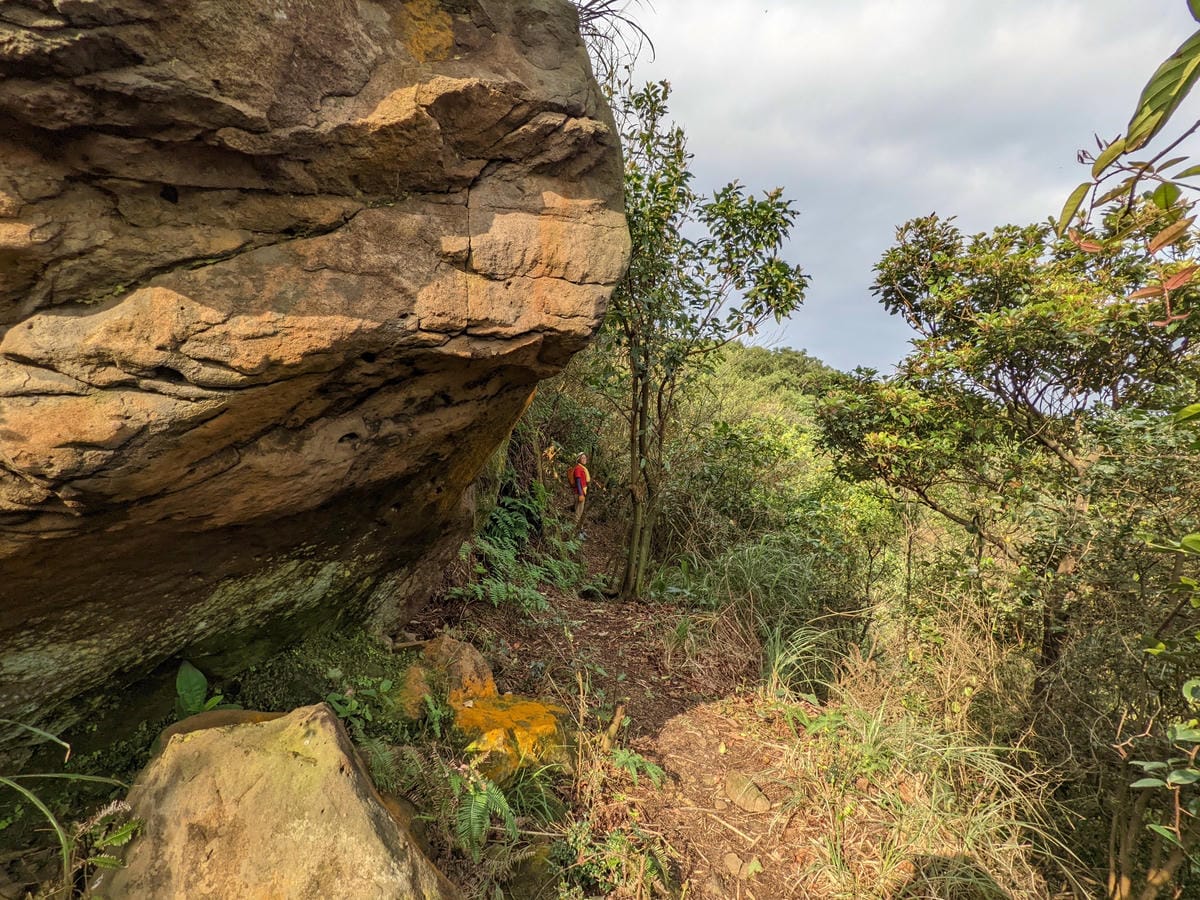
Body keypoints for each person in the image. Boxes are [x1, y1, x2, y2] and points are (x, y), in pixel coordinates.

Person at [570, 452, 590, 527]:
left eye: (585, 458)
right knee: (578, 514)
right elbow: (578, 481)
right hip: (579, 493)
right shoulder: (578, 468)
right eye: (582, 458)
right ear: (579, 459)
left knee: (581, 513)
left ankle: (579, 530)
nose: (585, 459)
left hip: (582, 492)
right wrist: (581, 494)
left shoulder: (582, 468)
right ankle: (575, 533)